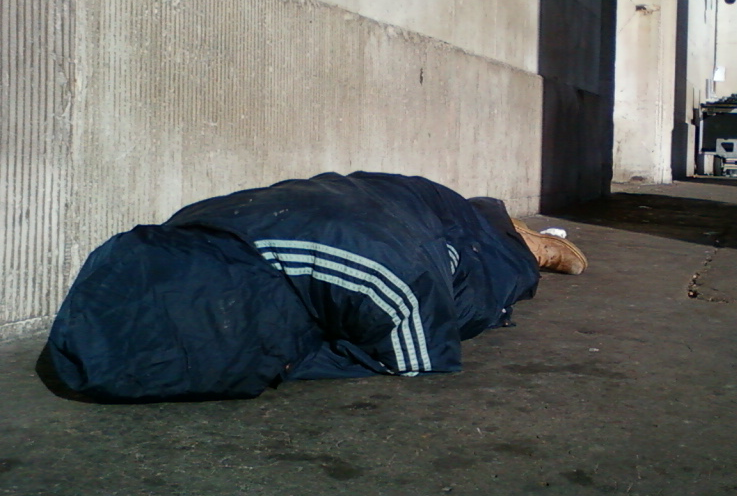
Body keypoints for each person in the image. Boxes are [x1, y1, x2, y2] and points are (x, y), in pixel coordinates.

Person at [46, 172, 587, 402]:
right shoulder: (188, 232)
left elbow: (423, 354)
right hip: (366, 207)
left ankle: (525, 239)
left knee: (491, 278)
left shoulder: (378, 278)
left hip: (413, 225)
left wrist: (300, 365)